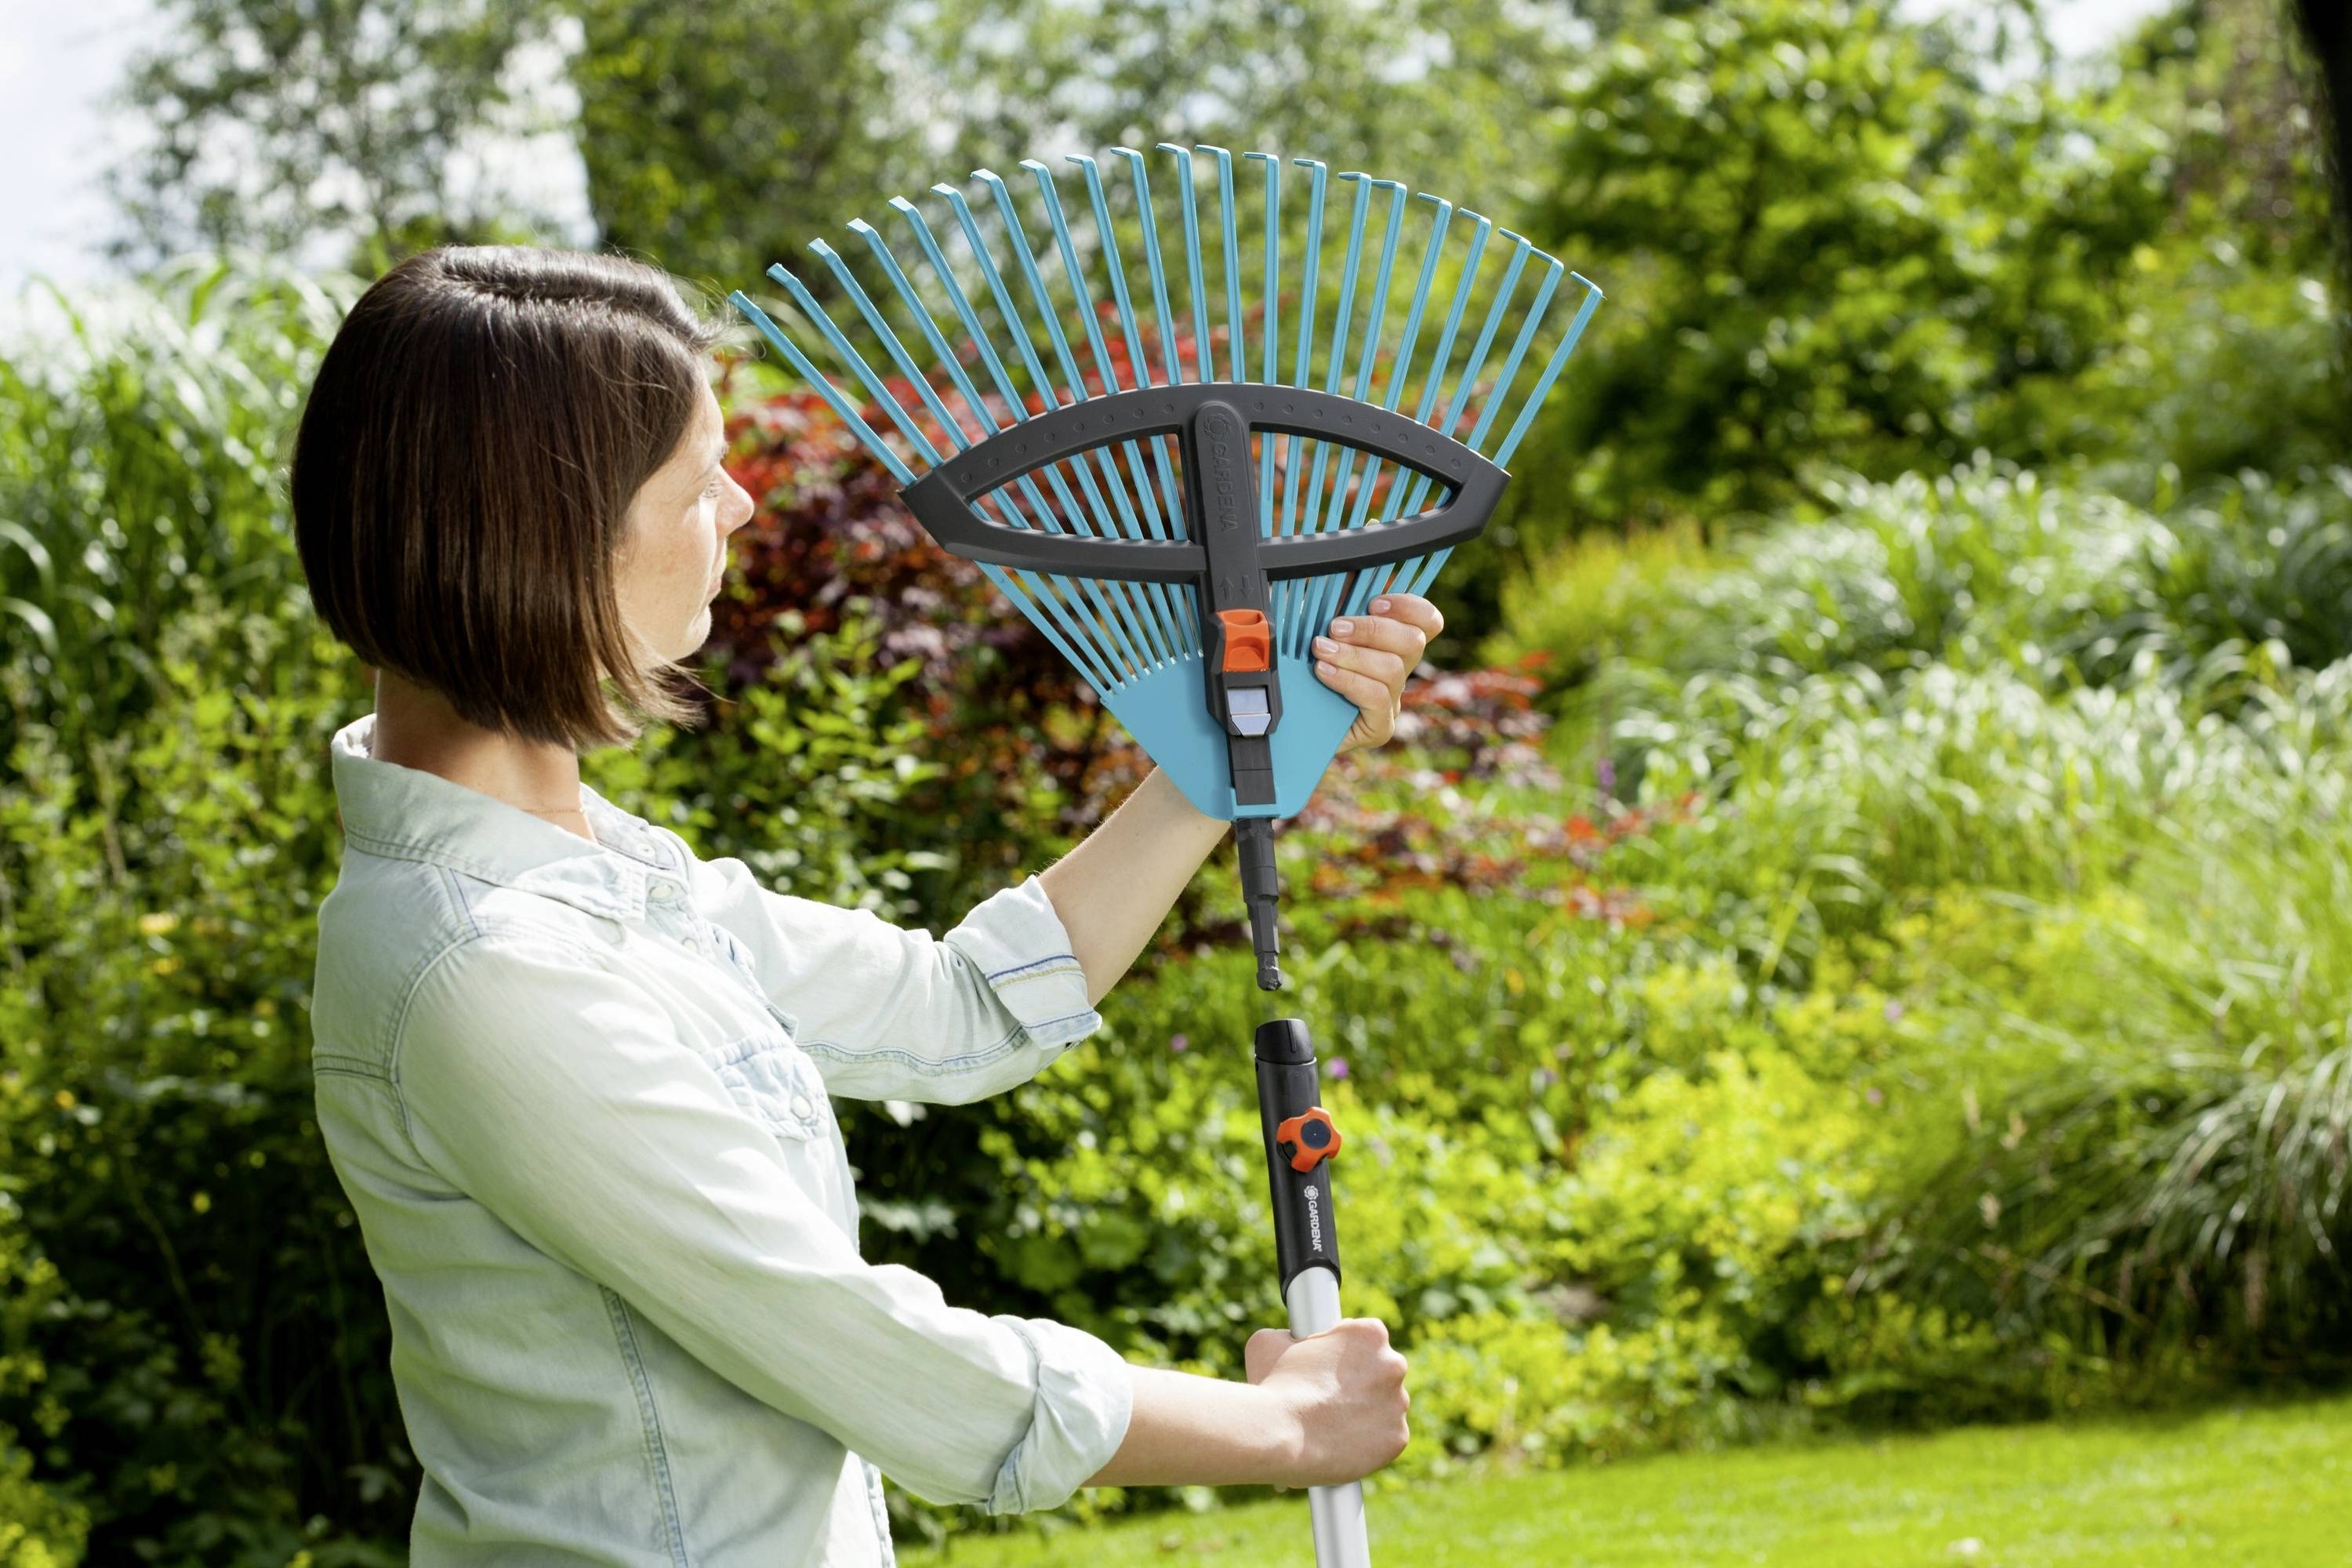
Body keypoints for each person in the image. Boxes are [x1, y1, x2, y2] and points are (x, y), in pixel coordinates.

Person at [293, 245, 1430, 1566]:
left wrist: (1242, 749)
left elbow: (959, 1008)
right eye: (693, 478)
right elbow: (877, 1357)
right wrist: (1283, 1427)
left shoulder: (595, 880)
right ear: (544, 533)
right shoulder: (487, 970)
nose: (739, 502)